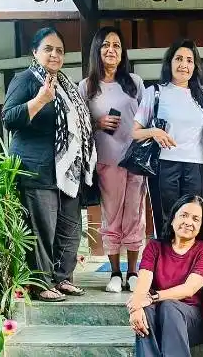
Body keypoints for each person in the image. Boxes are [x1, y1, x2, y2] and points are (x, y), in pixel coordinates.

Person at [2, 27, 95, 301]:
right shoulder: (25, 80)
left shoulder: (66, 85)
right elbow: (9, 118)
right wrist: (40, 99)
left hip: (67, 170)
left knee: (70, 226)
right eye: (48, 49)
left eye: (59, 50)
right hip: (37, 168)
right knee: (43, 228)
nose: (54, 54)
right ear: (35, 52)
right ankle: (41, 283)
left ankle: (62, 278)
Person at [78, 26, 146, 293]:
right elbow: (78, 125)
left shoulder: (134, 82)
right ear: (97, 49)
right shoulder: (87, 86)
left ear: (122, 52)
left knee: (135, 215)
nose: (111, 50)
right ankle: (115, 273)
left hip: (135, 160)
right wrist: (98, 122)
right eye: (106, 45)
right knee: (112, 216)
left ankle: (133, 271)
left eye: (116, 45)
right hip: (107, 160)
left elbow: (146, 117)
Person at [133, 39, 203, 237]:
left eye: (189, 60)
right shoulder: (155, 92)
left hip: (196, 165)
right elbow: (134, 132)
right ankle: (166, 257)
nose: (184, 64)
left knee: (193, 220)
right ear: (170, 62)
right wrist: (154, 132)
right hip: (163, 165)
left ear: (195, 66)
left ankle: (191, 258)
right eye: (179, 59)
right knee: (166, 221)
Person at [127, 194, 203, 357]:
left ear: (201, 225)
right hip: (160, 318)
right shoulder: (155, 247)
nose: (188, 222)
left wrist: (153, 297)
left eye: (195, 219)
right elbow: (143, 281)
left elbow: (189, 289)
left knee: (169, 306)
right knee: (146, 310)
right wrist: (136, 307)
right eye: (184, 215)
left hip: (194, 321)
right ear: (173, 218)